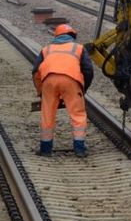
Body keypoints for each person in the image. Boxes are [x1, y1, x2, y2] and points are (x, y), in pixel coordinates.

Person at [32, 24, 93, 157]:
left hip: (49, 81)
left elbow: (35, 71)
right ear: (72, 37)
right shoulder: (79, 48)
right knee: (78, 116)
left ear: (57, 36)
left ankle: (45, 149)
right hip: (71, 81)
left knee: (47, 115)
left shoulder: (46, 49)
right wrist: (83, 88)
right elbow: (88, 70)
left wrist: (40, 91)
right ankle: (79, 150)